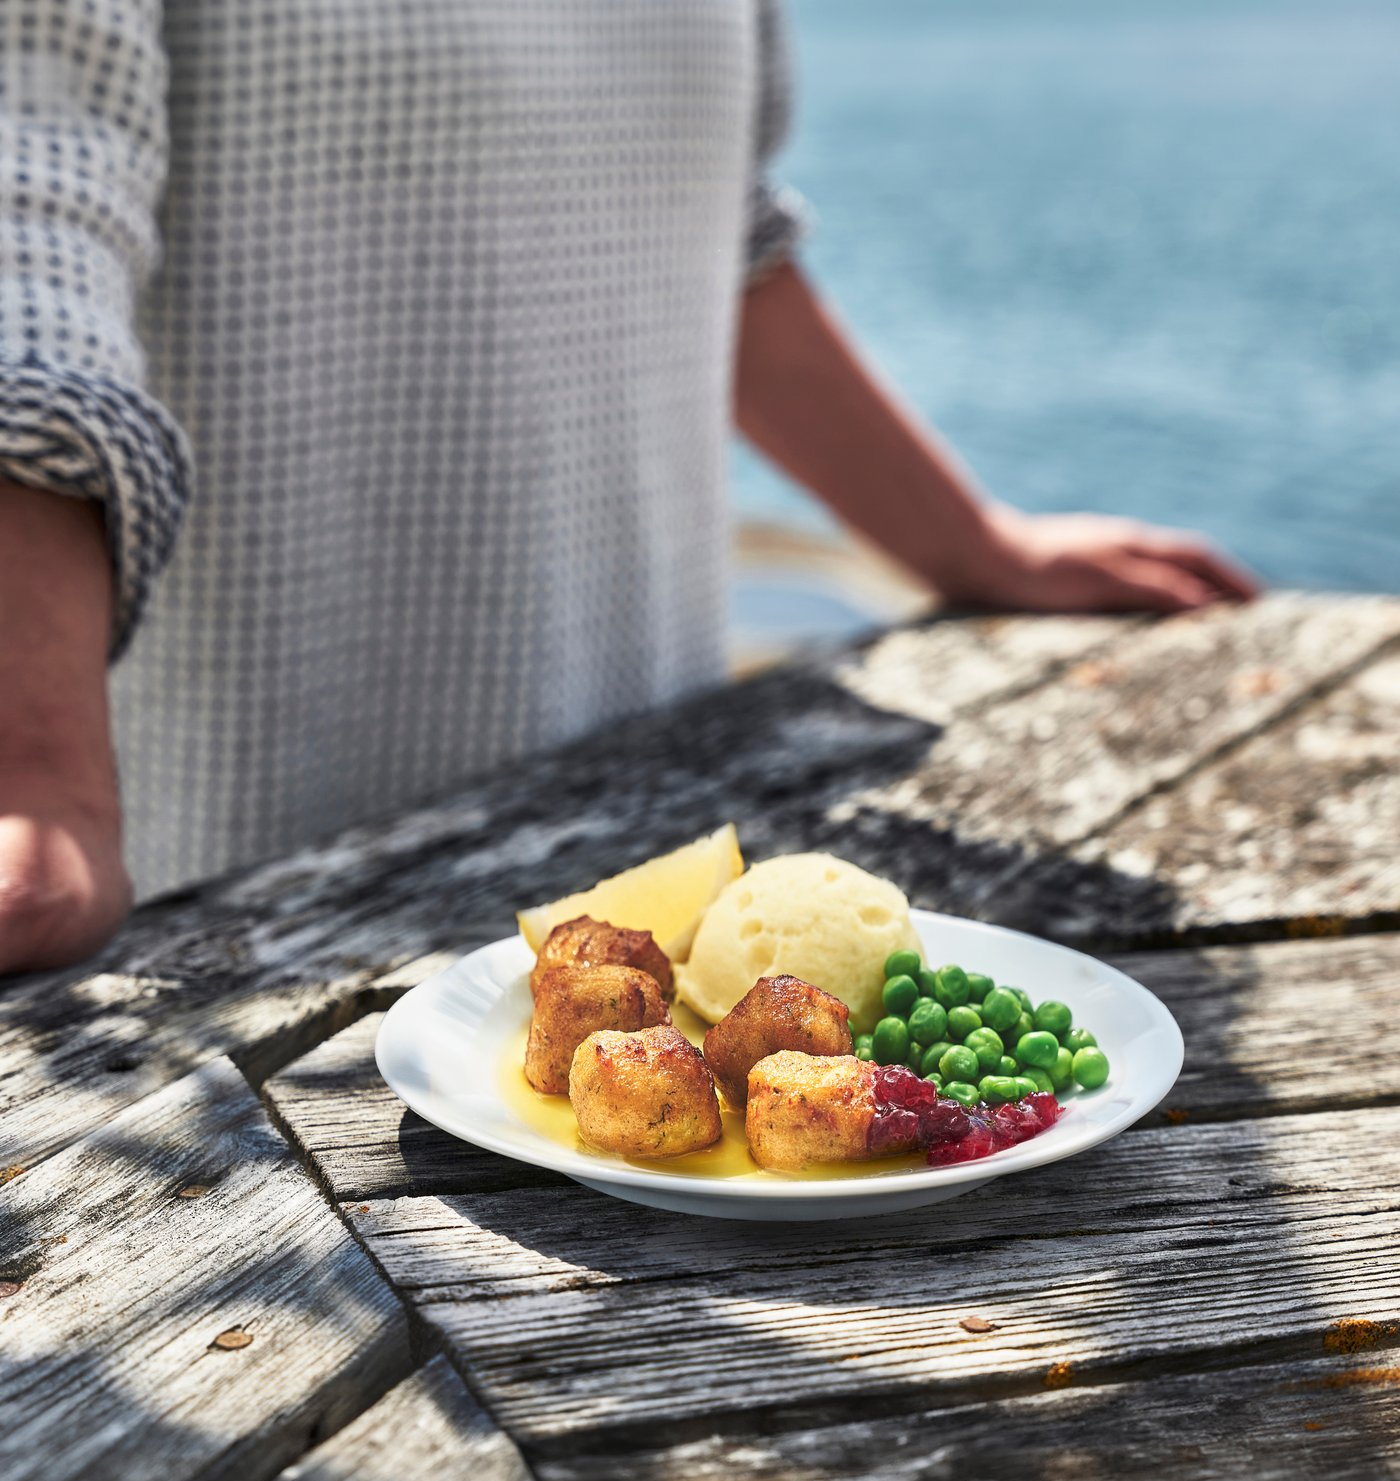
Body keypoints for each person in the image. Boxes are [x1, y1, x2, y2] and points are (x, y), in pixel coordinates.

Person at [0, 2, 1257, 975]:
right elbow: (28, 244)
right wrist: (36, 773)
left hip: (643, 834)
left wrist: (974, 547)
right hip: (225, 914)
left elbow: (721, 236)